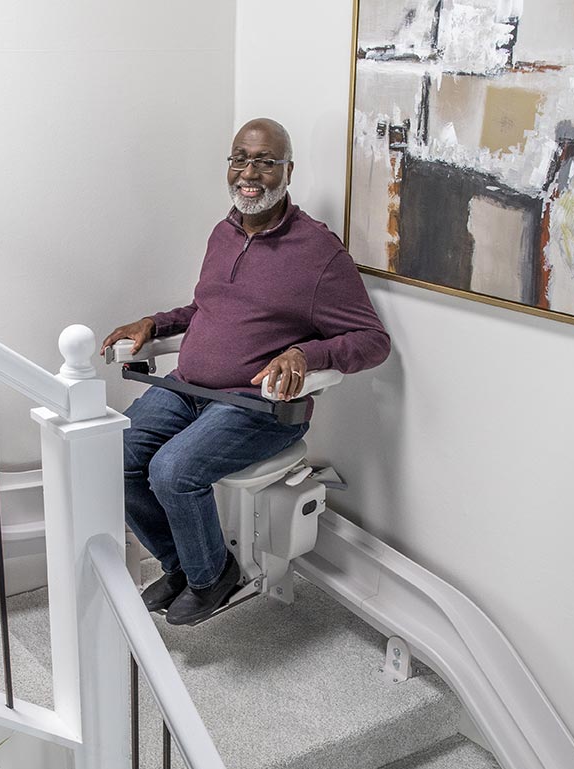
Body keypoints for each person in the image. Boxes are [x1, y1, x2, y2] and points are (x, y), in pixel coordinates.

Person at [101, 118, 391, 626]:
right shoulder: (224, 232)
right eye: (240, 159)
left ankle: (214, 576)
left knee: (171, 470)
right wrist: (155, 322)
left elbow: (373, 341)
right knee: (114, 458)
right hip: (188, 389)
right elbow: (207, 309)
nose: (249, 172)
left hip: (259, 407)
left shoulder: (318, 252)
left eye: (264, 160)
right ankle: (183, 566)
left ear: (288, 170)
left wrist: (307, 354)